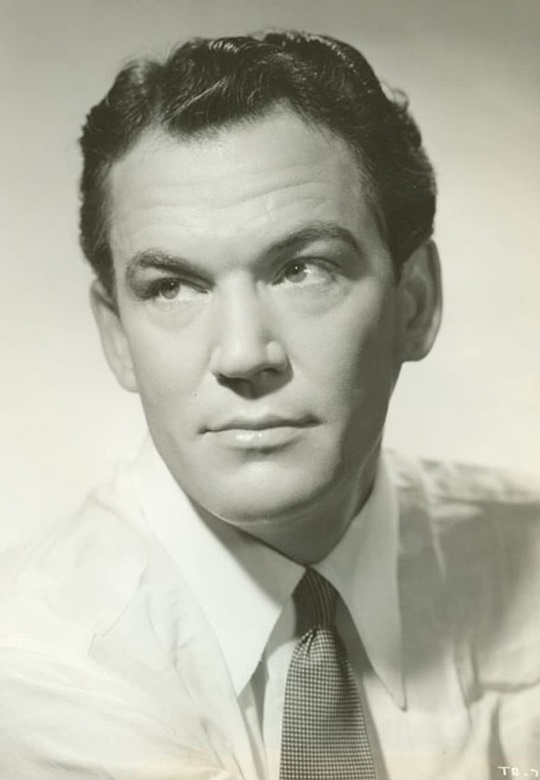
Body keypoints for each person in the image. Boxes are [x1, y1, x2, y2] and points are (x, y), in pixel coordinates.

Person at [0, 29, 538, 780]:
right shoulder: (38, 664)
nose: (243, 354)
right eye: (171, 287)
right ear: (118, 337)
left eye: (303, 269)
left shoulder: (525, 556)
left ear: (414, 303)